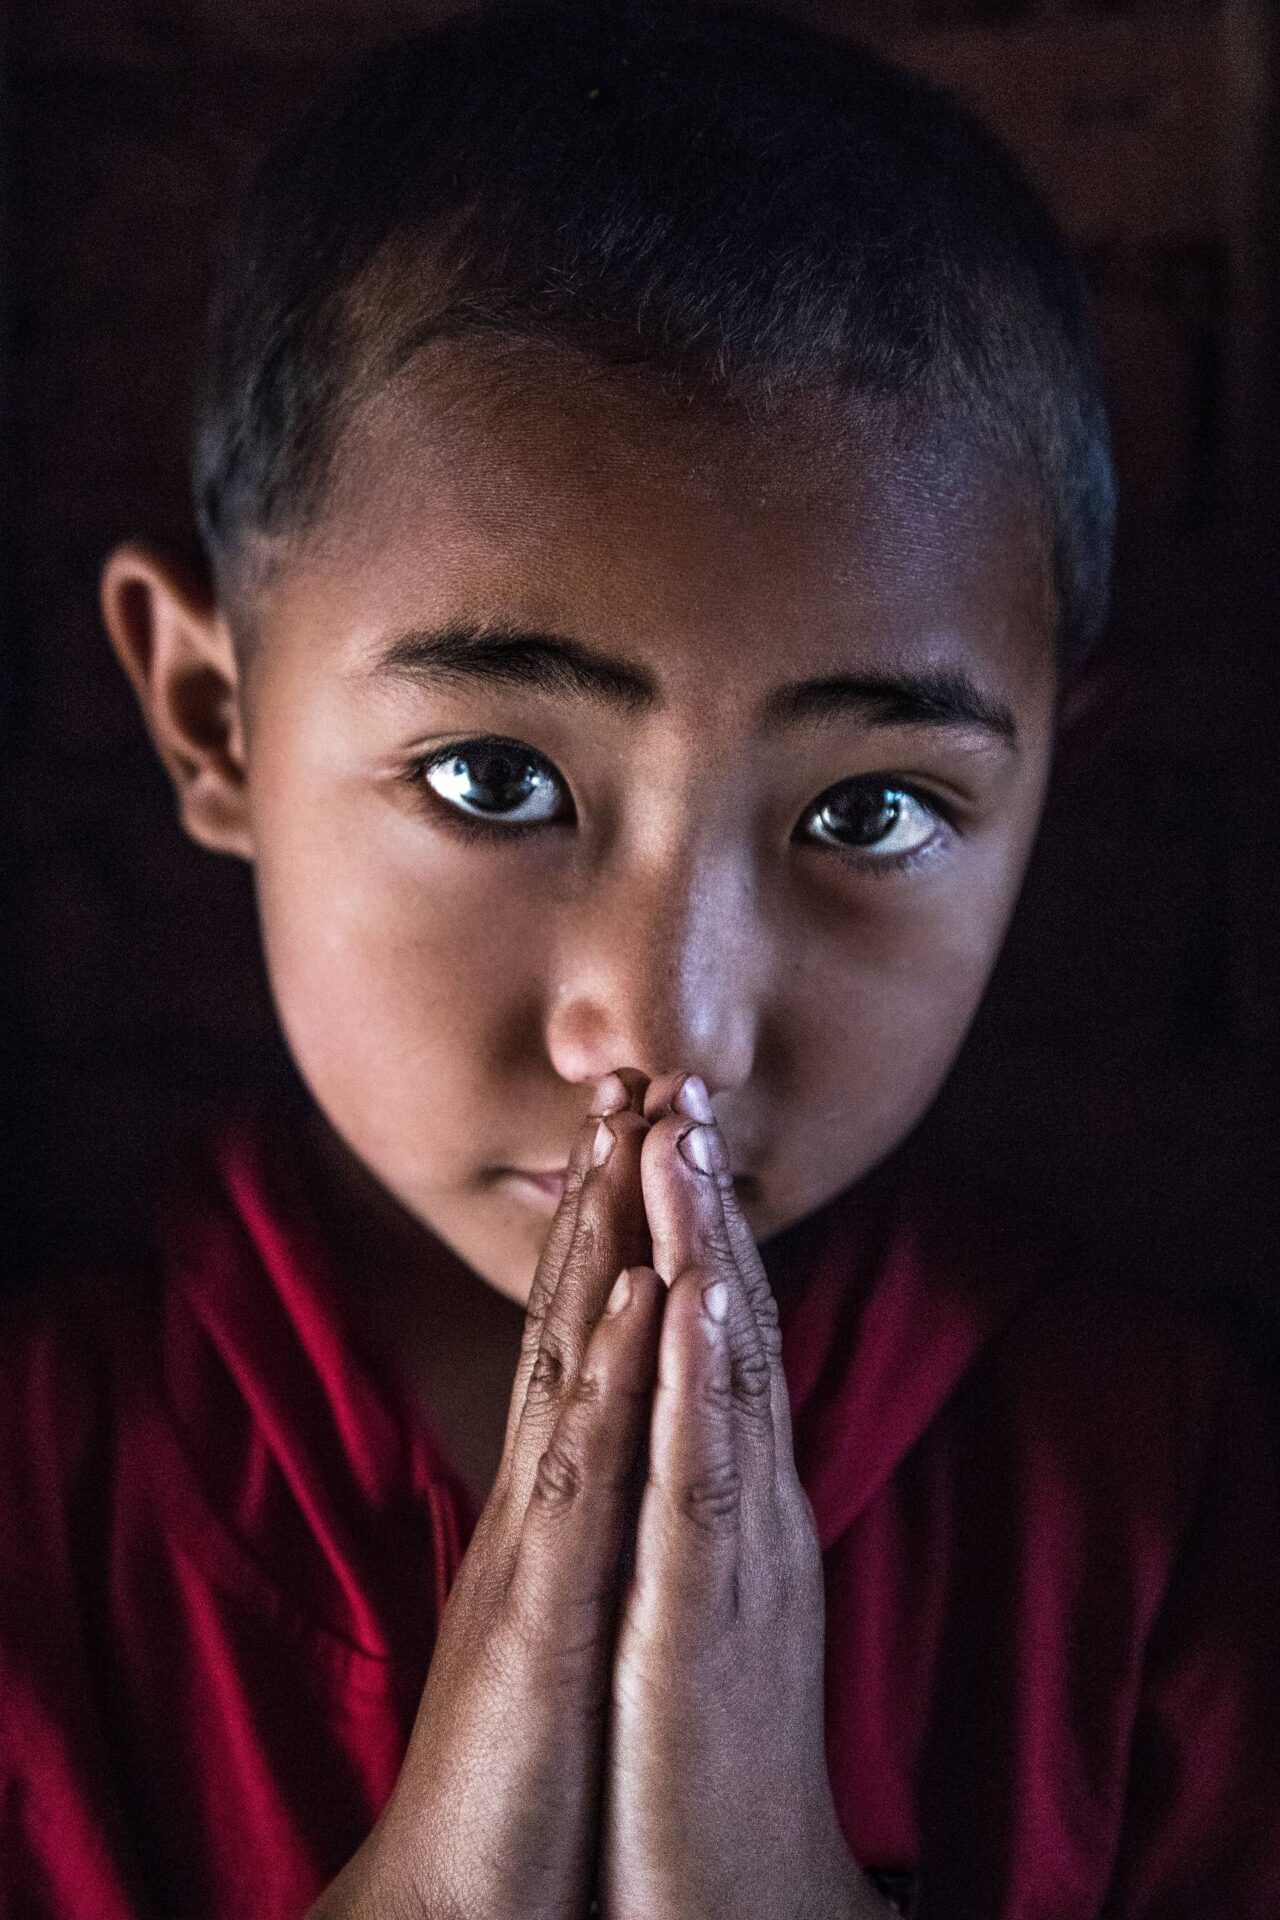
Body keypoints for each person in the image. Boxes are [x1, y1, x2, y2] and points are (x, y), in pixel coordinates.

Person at [3, 1, 1277, 1914]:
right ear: (213, 721)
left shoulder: (1167, 1526)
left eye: (871, 813)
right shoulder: (33, 1509)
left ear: (1046, 806)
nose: (668, 1028)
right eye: (496, 776)